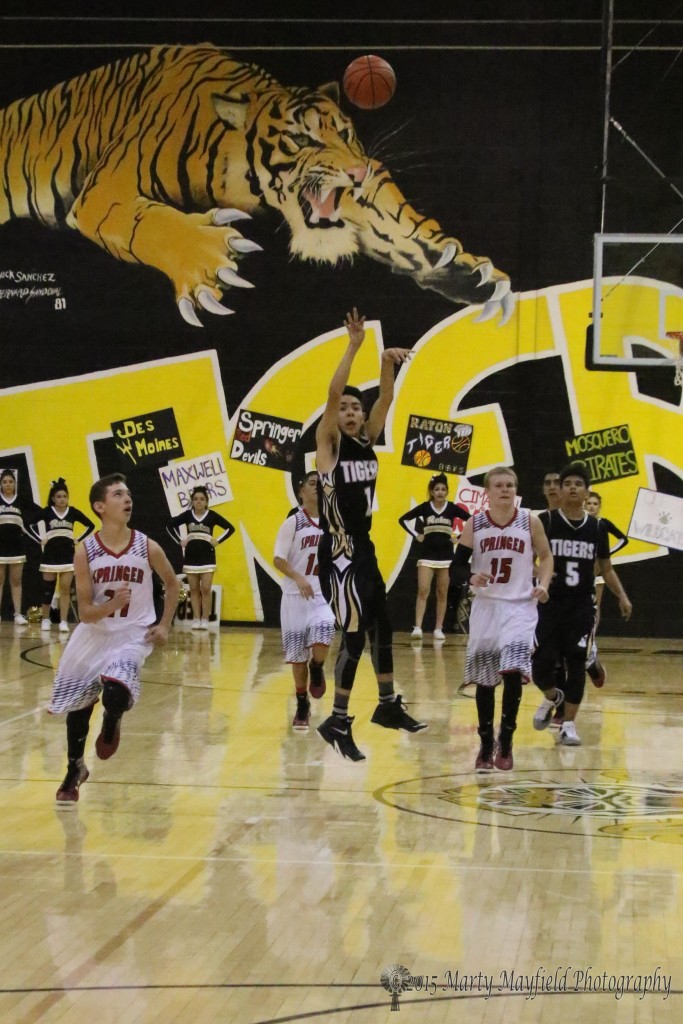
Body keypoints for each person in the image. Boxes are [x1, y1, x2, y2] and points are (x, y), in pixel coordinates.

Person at [315, 307, 427, 761]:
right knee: (355, 635)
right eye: (344, 408)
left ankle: (385, 705)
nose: (350, 411)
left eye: (355, 408)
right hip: (339, 554)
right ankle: (337, 720)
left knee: (384, 625)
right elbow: (332, 391)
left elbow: (386, 397)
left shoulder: (368, 438)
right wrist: (355, 345)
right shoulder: (329, 444)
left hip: (365, 548)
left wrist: (386, 361)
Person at [49, 473, 179, 804]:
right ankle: (75, 768)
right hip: (94, 633)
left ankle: (111, 720)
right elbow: (86, 613)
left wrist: (164, 624)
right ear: (100, 506)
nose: (127, 499)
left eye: (128, 494)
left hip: (133, 634)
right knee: (78, 707)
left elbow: (173, 584)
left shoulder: (147, 545)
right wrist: (112, 604)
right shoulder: (85, 551)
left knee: (116, 687)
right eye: (118, 494)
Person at [452, 466, 553, 771]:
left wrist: (544, 585)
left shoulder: (529, 521)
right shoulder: (475, 523)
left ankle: (506, 741)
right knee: (485, 681)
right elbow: (456, 567)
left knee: (511, 672)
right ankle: (485, 743)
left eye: (510, 485)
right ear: (487, 492)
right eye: (499, 485)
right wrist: (472, 576)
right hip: (487, 607)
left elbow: (546, 557)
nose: (505, 490)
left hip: (520, 607)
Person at [531, 463, 632, 746]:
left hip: (581, 607)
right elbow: (529, 558)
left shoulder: (598, 527)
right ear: (560, 491)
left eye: (578, 483)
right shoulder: (545, 521)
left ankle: (569, 725)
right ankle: (552, 697)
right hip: (549, 605)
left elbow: (606, 567)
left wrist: (621, 595)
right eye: (567, 483)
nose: (573, 487)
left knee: (576, 663)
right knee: (541, 665)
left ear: (587, 491)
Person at [273, 471, 336, 731]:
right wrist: (298, 577)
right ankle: (302, 704)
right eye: (312, 483)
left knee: (325, 629)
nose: (317, 488)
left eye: (321, 485)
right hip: (294, 596)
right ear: (301, 491)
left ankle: (318, 665)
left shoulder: (333, 522)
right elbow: (278, 559)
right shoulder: (293, 522)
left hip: (322, 594)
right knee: (297, 657)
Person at [398, 473, 470, 641]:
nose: (440, 492)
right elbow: (403, 520)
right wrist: (416, 534)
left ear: (447, 491)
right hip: (427, 555)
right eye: (436, 489)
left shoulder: (452, 508)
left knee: (442, 593)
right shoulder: (425, 507)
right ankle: (418, 627)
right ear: (431, 491)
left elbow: (472, 521)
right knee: (423, 590)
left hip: (446, 557)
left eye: (443, 489)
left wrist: (458, 537)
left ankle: (439, 628)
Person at [28, 478, 95, 634]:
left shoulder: (73, 512)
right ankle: (46, 619)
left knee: (65, 589)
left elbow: (90, 525)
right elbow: (28, 524)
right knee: (47, 590)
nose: (62, 499)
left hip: (67, 556)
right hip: (50, 556)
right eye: (59, 496)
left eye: (64, 496)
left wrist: (78, 538)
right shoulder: (46, 512)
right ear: (53, 498)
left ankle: (63, 621)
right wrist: (40, 539)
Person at [166, 486, 235, 629]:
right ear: (192, 501)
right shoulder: (187, 515)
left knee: (206, 588)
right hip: (191, 556)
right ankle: (196, 619)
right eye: (196, 499)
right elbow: (169, 526)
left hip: (207, 556)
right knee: (194, 589)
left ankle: (205, 619)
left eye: (202, 499)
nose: (198, 502)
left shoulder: (212, 515)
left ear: (206, 501)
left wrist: (217, 540)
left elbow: (230, 528)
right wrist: (180, 540)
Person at [584, 489, 629, 686]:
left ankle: (592, 642)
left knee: (596, 606)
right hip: (579, 573)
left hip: (598, 572)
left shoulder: (602, 524)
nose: (592, 506)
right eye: (589, 503)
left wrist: (606, 554)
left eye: (595, 504)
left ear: (599, 506)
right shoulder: (579, 524)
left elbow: (623, 539)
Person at [0, 468, 30, 625]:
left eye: (10, 482)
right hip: (0, 546)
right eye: (4, 482)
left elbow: (29, 522)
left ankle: (18, 614)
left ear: (15, 483)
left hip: (16, 546)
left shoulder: (21, 501)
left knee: (16, 580)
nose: (8, 484)